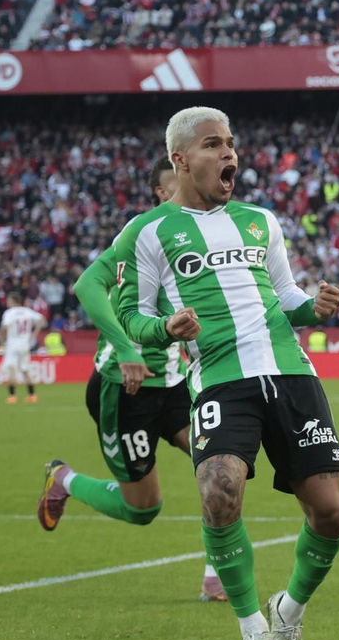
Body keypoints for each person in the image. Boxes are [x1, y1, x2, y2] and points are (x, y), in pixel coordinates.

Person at [116, 107, 339, 640]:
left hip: (292, 373)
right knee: (219, 491)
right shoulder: (146, 234)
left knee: (332, 511)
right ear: (179, 160)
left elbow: (285, 293)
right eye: (213, 145)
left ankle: (286, 612)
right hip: (220, 377)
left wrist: (310, 308)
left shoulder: (260, 221)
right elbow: (130, 315)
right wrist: (164, 330)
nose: (229, 155)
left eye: (231, 144)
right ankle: (251, 628)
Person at [37, 157, 226, 603]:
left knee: (222, 470)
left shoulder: (211, 234)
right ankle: (62, 479)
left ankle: (216, 577)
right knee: (144, 509)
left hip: (177, 386)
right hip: (124, 389)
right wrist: (125, 350)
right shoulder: (139, 234)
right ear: (164, 191)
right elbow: (87, 286)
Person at [0, 293, 45, 403]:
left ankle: (12, 396)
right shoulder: (27, 311)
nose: (7, 302)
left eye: (8, 300)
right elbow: (42, 319)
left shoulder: (9, 313)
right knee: (25, 369)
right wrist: (34, 334)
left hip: (13, 344)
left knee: (12, 368)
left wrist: (2, 342)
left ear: (13, 301)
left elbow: (4, 328)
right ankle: (32, 395)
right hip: (25, 345)